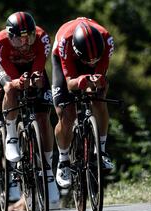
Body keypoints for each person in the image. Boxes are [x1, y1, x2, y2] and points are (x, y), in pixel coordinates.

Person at [0, 11, 59, 206]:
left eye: (28, 37)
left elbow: (38, 66)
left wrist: (35, 78)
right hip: (8, 69)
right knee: (10, 91)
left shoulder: (42, 38)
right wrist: (16, 83)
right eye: (20, 39)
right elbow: (8, 80)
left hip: (31, 67)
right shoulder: (0, 43)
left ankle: (47, 171)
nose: (25, 43)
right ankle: (12, 135)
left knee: (43, 118)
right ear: (11, 36)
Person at [51, 17, 115, 188]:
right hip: (66, 64)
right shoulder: (65, 42)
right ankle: (63, 160)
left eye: (94, 60)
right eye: (88, 61)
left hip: (90, 60)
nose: (91, 63)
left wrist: (95, 83)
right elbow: (70, 82)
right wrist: (80, 82)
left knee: (99, 99)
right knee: (66, 113)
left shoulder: (107, 40)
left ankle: (101, 151)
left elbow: (100, 76)